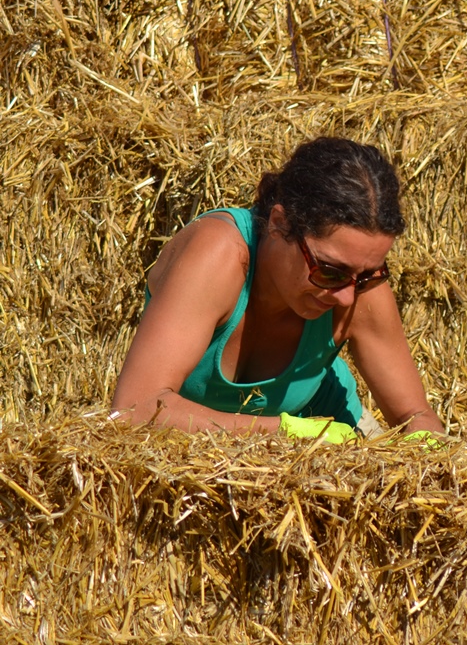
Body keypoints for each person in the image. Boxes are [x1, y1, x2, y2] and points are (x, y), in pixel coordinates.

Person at [112, 137, 445, 443]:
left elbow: (415, 416)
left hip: (337, 441)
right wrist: (288, 432)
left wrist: (429, 451)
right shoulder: (218, 255)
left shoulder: (358, 284)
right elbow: (134, 409)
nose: (347, 296)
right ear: (279, 224)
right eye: (329, 272)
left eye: (369, 274)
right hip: (301, 440)